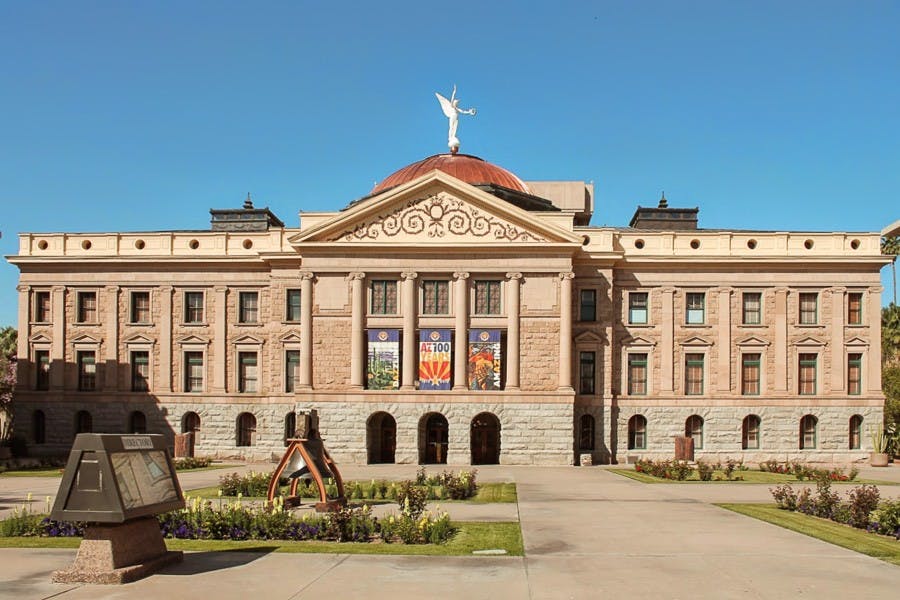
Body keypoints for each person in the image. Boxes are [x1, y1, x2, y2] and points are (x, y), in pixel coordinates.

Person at [435, 85, 476, 152]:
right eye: (456, 102)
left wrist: (469, 112)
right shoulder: (452, 107)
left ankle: (453, 136)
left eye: (457, 103)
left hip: (456, 118)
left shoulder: (457, 109)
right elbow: (452, 99)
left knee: (455, 127)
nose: (457, 103)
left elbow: (463, 111)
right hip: (452, 117)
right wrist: (454, 91)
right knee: (451, 127)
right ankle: (450, 137)